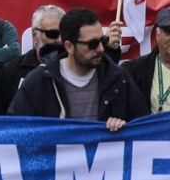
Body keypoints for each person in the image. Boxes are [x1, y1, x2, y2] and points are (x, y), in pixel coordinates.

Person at [9, 7, 147, 129]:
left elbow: (143, 126)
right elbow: (17, 130)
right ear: (69, 46)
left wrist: (125, 127)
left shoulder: (118, 77)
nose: (100, 49)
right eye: (92, 44)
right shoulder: (40, 80)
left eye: (102, 41)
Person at [0, 5, 66, 111]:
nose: (59, 40)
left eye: (64, 34)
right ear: (35, 35)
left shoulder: (75, 69)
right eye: (52, 34)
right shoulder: (12, 70)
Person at [122, 7, 170, 114]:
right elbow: (109, 80)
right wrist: (111, 51)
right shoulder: (136, 70)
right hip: (154, 130)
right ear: (157, 35)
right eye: (168, 33)